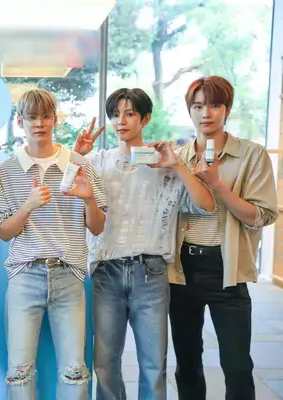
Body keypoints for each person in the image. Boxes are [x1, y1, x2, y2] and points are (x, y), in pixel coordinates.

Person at [73, 88, 215, 400]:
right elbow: (66, 194)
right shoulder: (97, 161)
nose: (120, 121)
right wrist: (77, 155)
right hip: (105, 271)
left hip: (150, 271)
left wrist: (176, 166)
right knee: (105, 363)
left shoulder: (164, 162)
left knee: (153, 364)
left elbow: (207, 204)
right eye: (115, 115)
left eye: (129, 114)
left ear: (145, 119)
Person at [0, 88, 107, 399]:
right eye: (31, 117)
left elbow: (97, 227)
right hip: (24, 275)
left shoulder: (79, 164)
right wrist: (28, 205)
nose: (39, 123)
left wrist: (89, 200)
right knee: (19, 371)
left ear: (55, 120)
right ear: (20, 122)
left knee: (75, 370)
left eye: (45, 116)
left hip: (69, 275)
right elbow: (3, 232)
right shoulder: (6, 170)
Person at [168, 76, 278, 400]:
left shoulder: (252, 155)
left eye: (215, 105)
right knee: (187, 363)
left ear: (227, 110)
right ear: (189, 110)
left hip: (227, 268)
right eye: (198, 106)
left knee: (237, 364)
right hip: (182, 269)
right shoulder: (179, 158)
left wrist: (217, 184)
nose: (206, 113)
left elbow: (261, 216)